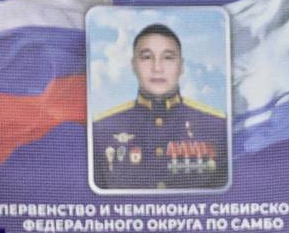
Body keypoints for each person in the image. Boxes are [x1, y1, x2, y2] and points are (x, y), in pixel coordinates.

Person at [91, 23, 228, 191]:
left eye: (168, 57)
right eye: (147, 57)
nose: (157, 68)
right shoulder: (101, 130)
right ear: (133, 65)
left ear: (182, 66)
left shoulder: (218, 127)